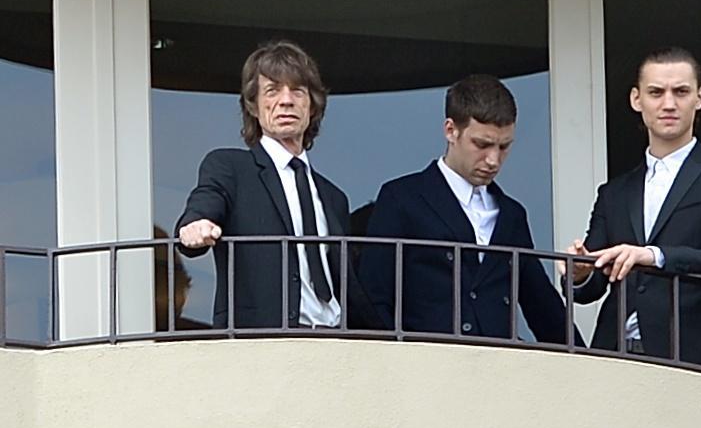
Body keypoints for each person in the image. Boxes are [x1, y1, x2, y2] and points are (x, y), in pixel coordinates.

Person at [562, 47, 701, 367]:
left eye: (681, 92)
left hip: (687, 358)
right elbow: (587, 291)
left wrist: (654, 256)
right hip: (611, 356)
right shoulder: (615, 192)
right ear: (636, 99)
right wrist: (579, 273)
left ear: (700, 97)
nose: (669, 103)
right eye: (656, 92)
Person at [175, 40, 379, 330]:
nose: (286, 101)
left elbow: (345, 284)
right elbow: (206, 201)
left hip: (332, 339)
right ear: (254, 106)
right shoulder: (231, 168)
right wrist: (196, 225)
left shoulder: (334, 197)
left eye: (298, 91)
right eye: (272, 90)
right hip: (265, 342)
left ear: (312, 106)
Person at [359, 75, 573, 343]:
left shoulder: (512, 215)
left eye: (504, 146)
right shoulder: (402, 199)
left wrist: (584, 362)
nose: (493, 160)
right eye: (482, 144)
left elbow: (543, 307)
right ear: (451, 130)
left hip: (498, 364)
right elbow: (373, 297)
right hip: (423, 362)